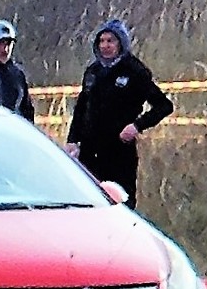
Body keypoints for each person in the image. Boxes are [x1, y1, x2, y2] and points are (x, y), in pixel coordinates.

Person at [65, 18, 173, 209]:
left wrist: (137, 126)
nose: (105, 46)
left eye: (110, 41)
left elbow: (163, 106)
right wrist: (73, 139)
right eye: (102, 41)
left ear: (120, 43)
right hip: (90, 151)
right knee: (88, 203)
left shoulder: (135, 71)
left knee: (121, 203)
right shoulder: (93, 71)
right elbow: (82, 108)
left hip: (119, 151)